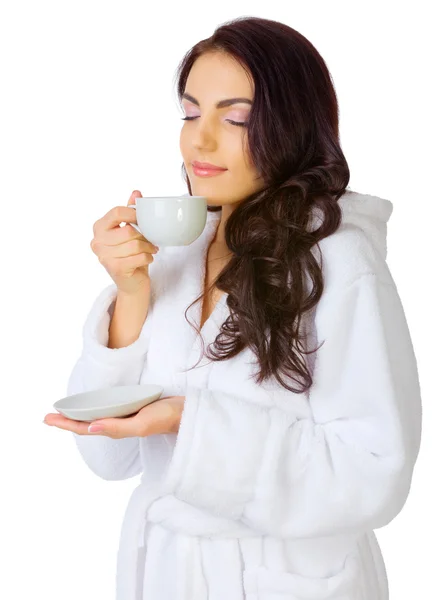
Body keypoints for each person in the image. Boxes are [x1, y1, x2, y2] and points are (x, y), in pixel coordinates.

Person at [43, 16, 422, 600]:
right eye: (191, 113)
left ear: (292, 128)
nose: (201, 139)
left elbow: (374, 474)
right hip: (166, 576)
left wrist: (186, 419)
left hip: (285, 582)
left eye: (236, 117)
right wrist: (132, 293)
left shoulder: (338, 262)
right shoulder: (171, 257)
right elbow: (106, 461)